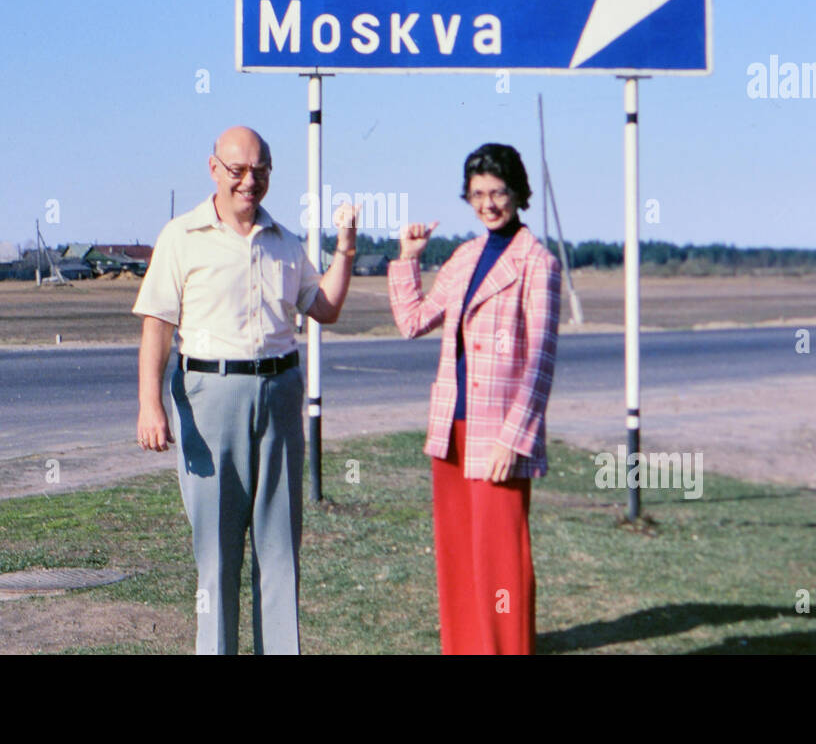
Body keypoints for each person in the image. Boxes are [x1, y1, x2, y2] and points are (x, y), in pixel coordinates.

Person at [132, 125, 357, 655]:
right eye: (237, 171)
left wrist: (344, 252)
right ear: (214, 170)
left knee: (279, 549)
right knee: (217, 553)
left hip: (279, 394)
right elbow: (156, 328)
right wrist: (149, 405)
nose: (249, 182)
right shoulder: (181, 236)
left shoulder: (284, 241)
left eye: (260, 171)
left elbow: (324, 307)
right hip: (210, 398)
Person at [387, 142, 561, 655]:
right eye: (478, 194)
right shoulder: (464, 256)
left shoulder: (538, 263)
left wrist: (516, 439)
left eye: (498, 192)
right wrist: (408, 261)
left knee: (502, 560)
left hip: (500, 435)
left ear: (518, 193)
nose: (488, 204)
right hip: (452, 430)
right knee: (459, 556)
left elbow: (541, 361)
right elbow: (413, 321)